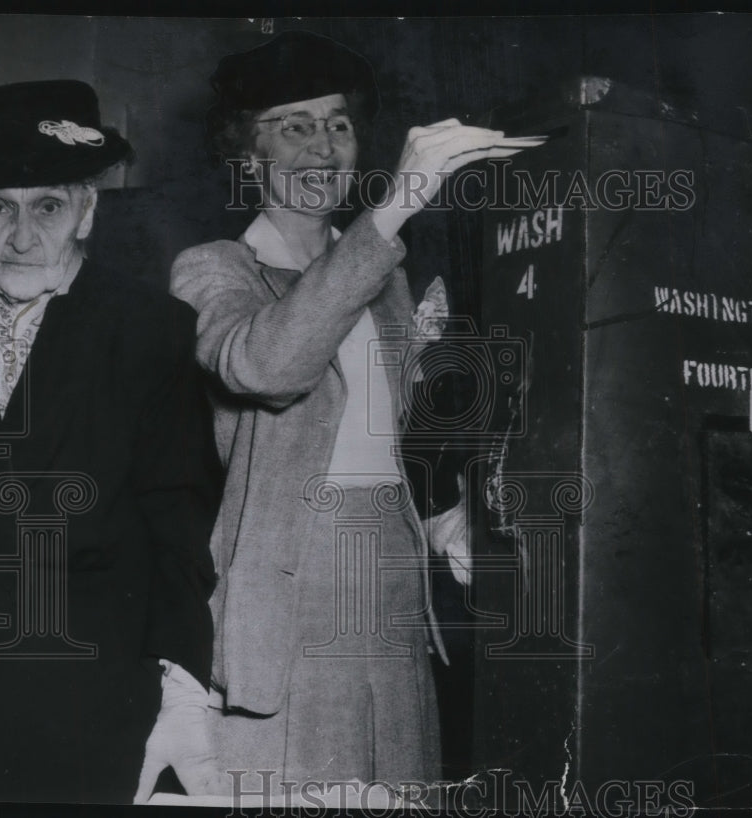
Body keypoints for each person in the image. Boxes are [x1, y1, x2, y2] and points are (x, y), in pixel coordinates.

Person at [169, 31, 540, 798]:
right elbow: (268, 365)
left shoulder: (384, 279)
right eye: (294, 125)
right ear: (247, 154)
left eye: (337, 123)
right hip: (292, 586)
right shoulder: (214, 269)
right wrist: (396, 207)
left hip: (394, 578)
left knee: (399, 787)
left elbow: (390, 441)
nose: (324, 144)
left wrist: (445, 525)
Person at [0, 80, 221, 803]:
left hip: (89, 693)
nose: (23, 235)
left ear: (88, 210)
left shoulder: (149, 328)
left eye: (49, 206)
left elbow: (179, 520)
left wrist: (185, 689)